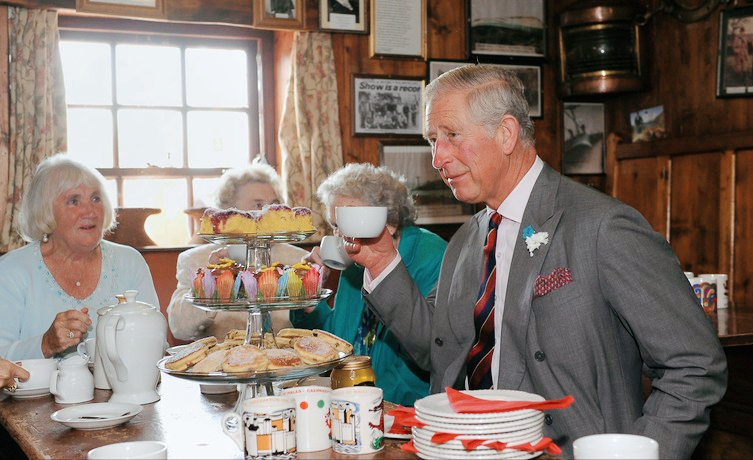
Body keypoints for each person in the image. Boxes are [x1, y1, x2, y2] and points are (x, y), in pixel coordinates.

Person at [345, 65, 727, 458]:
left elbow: (695, 364)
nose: (438, 157)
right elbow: (439, 348)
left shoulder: (603, 227)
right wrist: (381, 263)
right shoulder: (465, 239)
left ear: (506, 134)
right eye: (432, 139)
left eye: (452, 135)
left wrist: (642, 452)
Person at [290, 163, 447, 406]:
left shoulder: (433, 257)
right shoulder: (355, 260)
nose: (342, 238)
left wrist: (355, 398)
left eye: (350, 224)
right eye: (335, 225)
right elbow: (338, 340)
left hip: (406, 409)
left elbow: (423, 359)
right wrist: (311, 301)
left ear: (390, 222)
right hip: (350, 402)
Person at [0, 154, 159, 361]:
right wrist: (45, 344)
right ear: (45, 211)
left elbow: (157, 340)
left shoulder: (130, 262)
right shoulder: (12, 270)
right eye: (74, 201)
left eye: (95, 198)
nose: (90, 211)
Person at [167, 162, 308, 341]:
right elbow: (179, 329)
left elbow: (314, 324)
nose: (268, 212)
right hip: (220, 363)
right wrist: (212, 284)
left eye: (274, 204)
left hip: (282, 363)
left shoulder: (297, 259)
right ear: (229, 211)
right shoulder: (197, 260)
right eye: (258, 204)